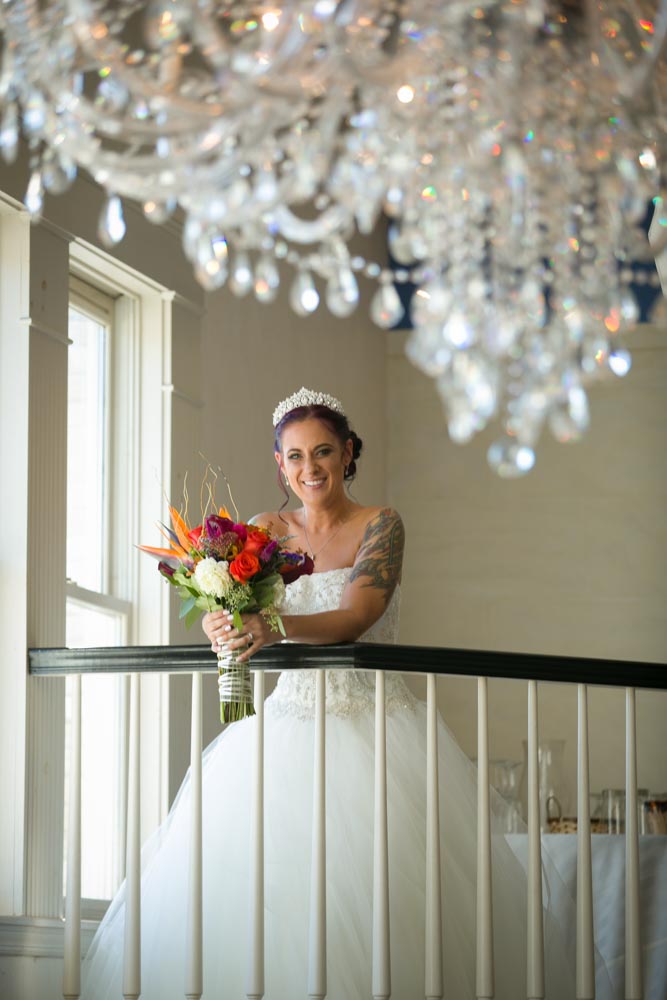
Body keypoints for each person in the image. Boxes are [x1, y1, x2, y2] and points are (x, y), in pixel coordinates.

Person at [81, 388, 606, 1000]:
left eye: (324, 452)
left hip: (374, 727)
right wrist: (218, 621)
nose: (311, 469)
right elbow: (232, 608)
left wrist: (268, 627)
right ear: (280, 462)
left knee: (379, 900)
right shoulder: (261, 531)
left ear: (348, 452)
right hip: (280, 729)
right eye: (296, 456)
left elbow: (357, 615)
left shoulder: (380, 524)